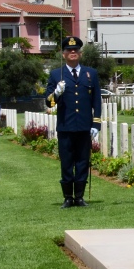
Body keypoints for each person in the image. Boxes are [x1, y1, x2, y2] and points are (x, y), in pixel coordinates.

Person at [45, 36, 102, 209]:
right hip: (66, 126)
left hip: (84, 126)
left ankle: (79, 197)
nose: (72, 52)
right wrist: (56, 93)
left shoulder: (91, 74)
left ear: (80, 53)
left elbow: (96, 101)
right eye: (69, 50)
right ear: (63, 54)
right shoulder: (56, 75)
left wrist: (96, 124)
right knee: (67, 163)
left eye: (75, 50)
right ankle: (68, 197)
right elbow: (49, 103)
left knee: (83, 162)